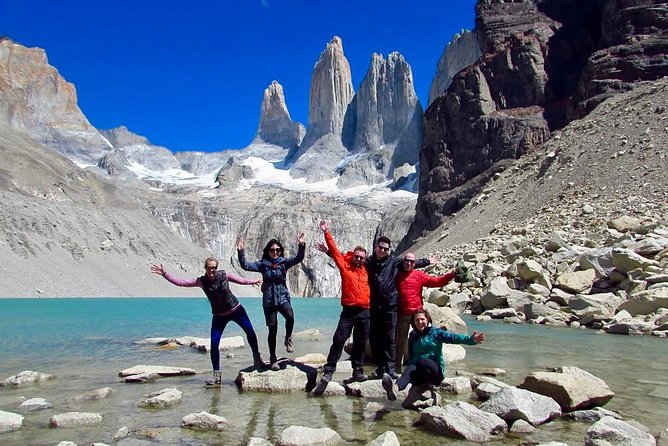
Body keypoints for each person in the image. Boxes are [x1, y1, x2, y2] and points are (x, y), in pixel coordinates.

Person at [151, 257, 264, 386]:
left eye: (214, 267)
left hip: (236, 310)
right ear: (205, 268)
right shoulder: (201, 281)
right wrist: (165, 274)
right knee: (214, 344)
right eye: (210, 267)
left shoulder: (224, 275)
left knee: (250, 332)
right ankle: (217, 376)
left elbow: (240, 280)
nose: (212, 270)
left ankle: (257, 359)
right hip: (219, 315)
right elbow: (181, 283)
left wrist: (252, 282)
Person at [382, 308, 485, 401]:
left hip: (435, 373)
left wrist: (471, 340)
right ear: (413, 322)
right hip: (421, 373)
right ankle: (395, 388)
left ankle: (427, 385)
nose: (420, 322)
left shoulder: (436, 332)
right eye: (417, 320)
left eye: (422, 319)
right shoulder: (413, 335)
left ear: (427, 320)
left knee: (420, 361)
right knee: (410, 369)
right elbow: (412, 355)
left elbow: (453, 338)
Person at [237, 233, 306, 370]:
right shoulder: (263, 265)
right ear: (268, 251)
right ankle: (273, 358)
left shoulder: (284, 262)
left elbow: (299, 258)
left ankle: (288, 338)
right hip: (269, 301)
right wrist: (241, 251)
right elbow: (245, 265)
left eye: (277, 250)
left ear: (280, 251)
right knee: (272, 330)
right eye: (272, 250)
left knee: (290, 316)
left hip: (282, 297)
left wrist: (301, 245)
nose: (275, 252)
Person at [365, 237, 431, 379]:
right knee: (375, 337)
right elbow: (350, 262)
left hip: (391, 305)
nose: (382, 250)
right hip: (375, 305)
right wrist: (329, 252)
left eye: (385, 249)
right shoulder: (369, 262)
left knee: (390, 337)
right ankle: (380, 368)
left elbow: (411, 263)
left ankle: (391, 368)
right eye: (380, 247)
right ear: (376, 247)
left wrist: (427, 261)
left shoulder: (394, 262)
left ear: (389, 250)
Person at [317, 220, 370, 388]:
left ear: (365, 259)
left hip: (364, 311)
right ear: (352, 256)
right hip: (348, 310)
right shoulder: (345, 266)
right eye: (357, 257)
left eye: (362, 258)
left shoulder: (368, 270)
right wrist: (327, 232)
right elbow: (334, 250)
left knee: (361, 342)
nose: (359, 259)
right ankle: (329, 370)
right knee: (339, 339)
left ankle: (358, 371)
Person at [395, 253, 456, 371]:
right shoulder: (397, 275)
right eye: (407, 261)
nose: (409, 263)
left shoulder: (419, 275)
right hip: (403, 313)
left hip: (418, 312)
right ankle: (397, 368)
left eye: (412, 262)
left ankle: (427, 366)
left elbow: (437, 281)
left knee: (425, 339)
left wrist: (451, 275)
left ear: (414, 264)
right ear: (403, 261)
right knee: (400, 341)